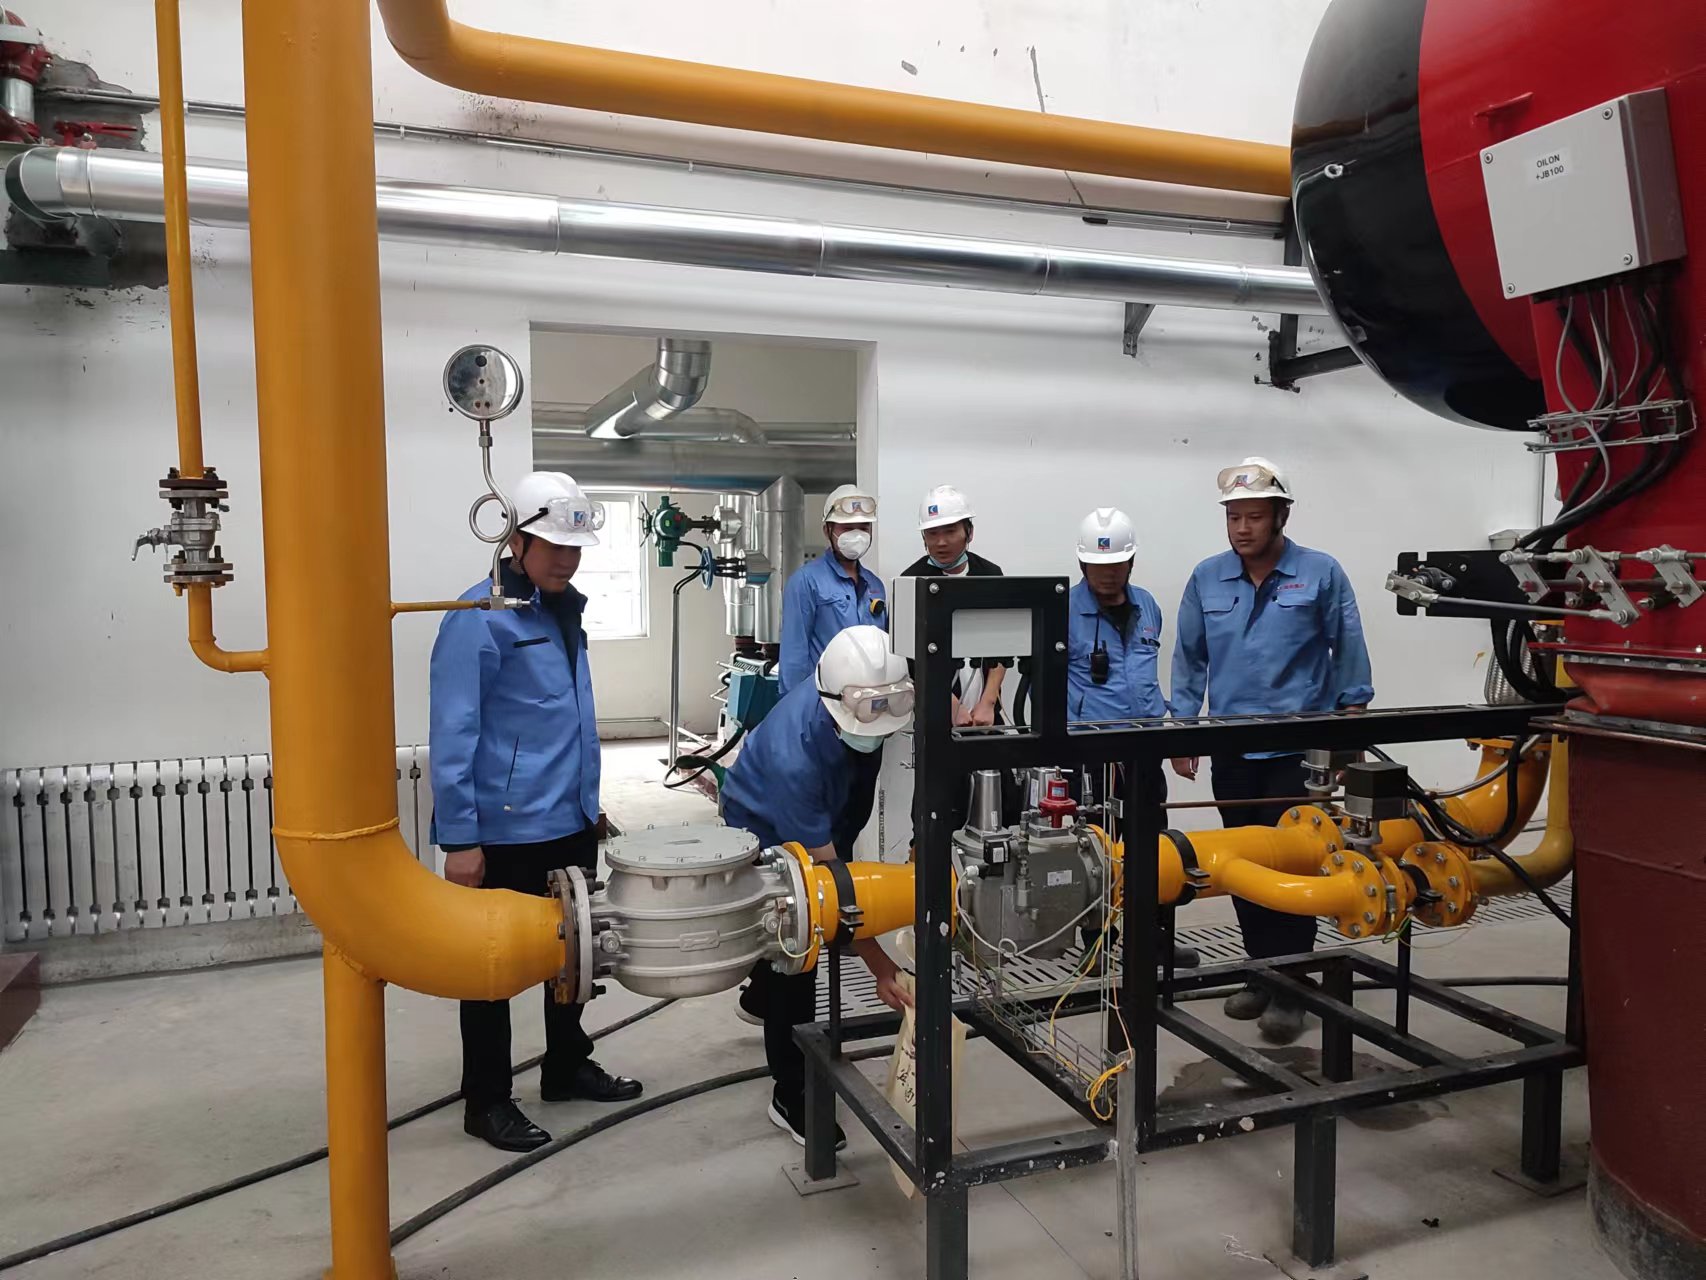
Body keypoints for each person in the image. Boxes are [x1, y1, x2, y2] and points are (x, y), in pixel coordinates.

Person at [429, 471, 642, 1154]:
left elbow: (567, 720)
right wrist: (460, 839)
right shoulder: (478, 618)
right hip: (504, 829)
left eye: (574, 547)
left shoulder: (563, 610)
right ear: (514, 540)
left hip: (568, 821)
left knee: (572, 956)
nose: (566, 559)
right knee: (489, 967)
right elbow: (453, 732)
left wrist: (588, 804)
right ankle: (487, 1099)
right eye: (553, 545)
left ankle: (566, 1065)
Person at [1169, 456, 1373, 1045]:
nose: (1242, 528)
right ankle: (1261, 971)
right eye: (1233, 517)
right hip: (1232, 748)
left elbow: (1348, 649)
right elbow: (1190, 657)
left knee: (1295, 862)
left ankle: (1292, 984)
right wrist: (1183, 728)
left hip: (1299, 752)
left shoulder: (1320, 572)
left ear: (1280, 515)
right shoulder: (1207, 578)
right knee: (1243, 864)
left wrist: (1348, 733)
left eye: (1254, 516)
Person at [720, 625, 915, 1146]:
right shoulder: (796, 757)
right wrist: (881, 967)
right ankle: (791, 1093)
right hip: (761, 823)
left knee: (808, 923)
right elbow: (830, 886)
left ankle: (760, 994)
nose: (879, 727)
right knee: (798, 940)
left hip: (828, 809)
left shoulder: (860, 705)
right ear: (834, 702)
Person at [1068, 508, 1196, 968]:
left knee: (1154, 845)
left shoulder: (1147, 606)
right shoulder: (1064, 610)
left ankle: (1154, 939)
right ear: (1083, 564)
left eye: (1116, 563)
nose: (1107, 573)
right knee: (1093, 849)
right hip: (1092, 751)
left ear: (1131, 561)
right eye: (1097, 565)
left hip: (1145, 749)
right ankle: (1096, 944)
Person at [778, 484, 888, 860]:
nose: (856, 533)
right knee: (822, 819)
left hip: (869, 723)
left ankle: (846, 883)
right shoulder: (806, 582)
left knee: (856, 812)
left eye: (863, 526)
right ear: (828, 530)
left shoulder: (875, 586)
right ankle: (824, 885)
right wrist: (798, 725)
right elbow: (794, 659)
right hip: (825, 723)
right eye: (846, 526)